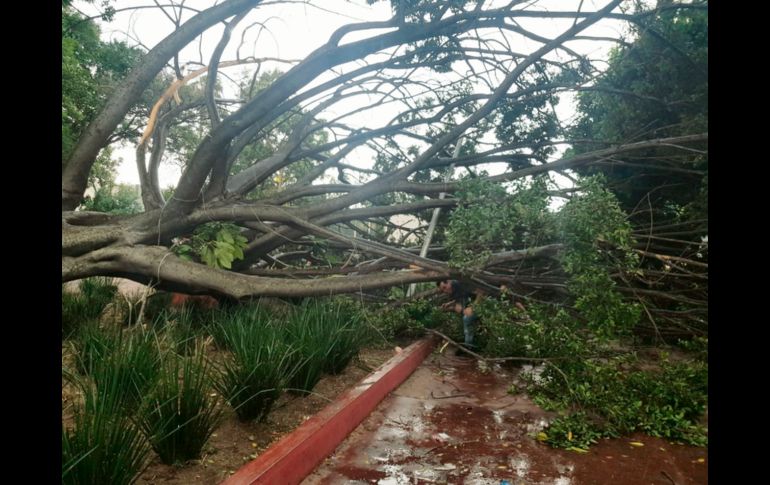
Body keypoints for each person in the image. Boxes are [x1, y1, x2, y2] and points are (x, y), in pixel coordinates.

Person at [437, 279, 482, 356]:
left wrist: (473, 307)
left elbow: (481, 291)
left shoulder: (461, 284)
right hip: (473, 305)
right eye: (443, 290)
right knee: (465, 317)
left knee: (467, 319)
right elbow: (461, 298)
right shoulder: (454, 289)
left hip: (484, 304)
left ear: (449, 281)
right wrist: (449, 304)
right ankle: (471, 343)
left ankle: (468, 348)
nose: (445, 291)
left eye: (445, 287)